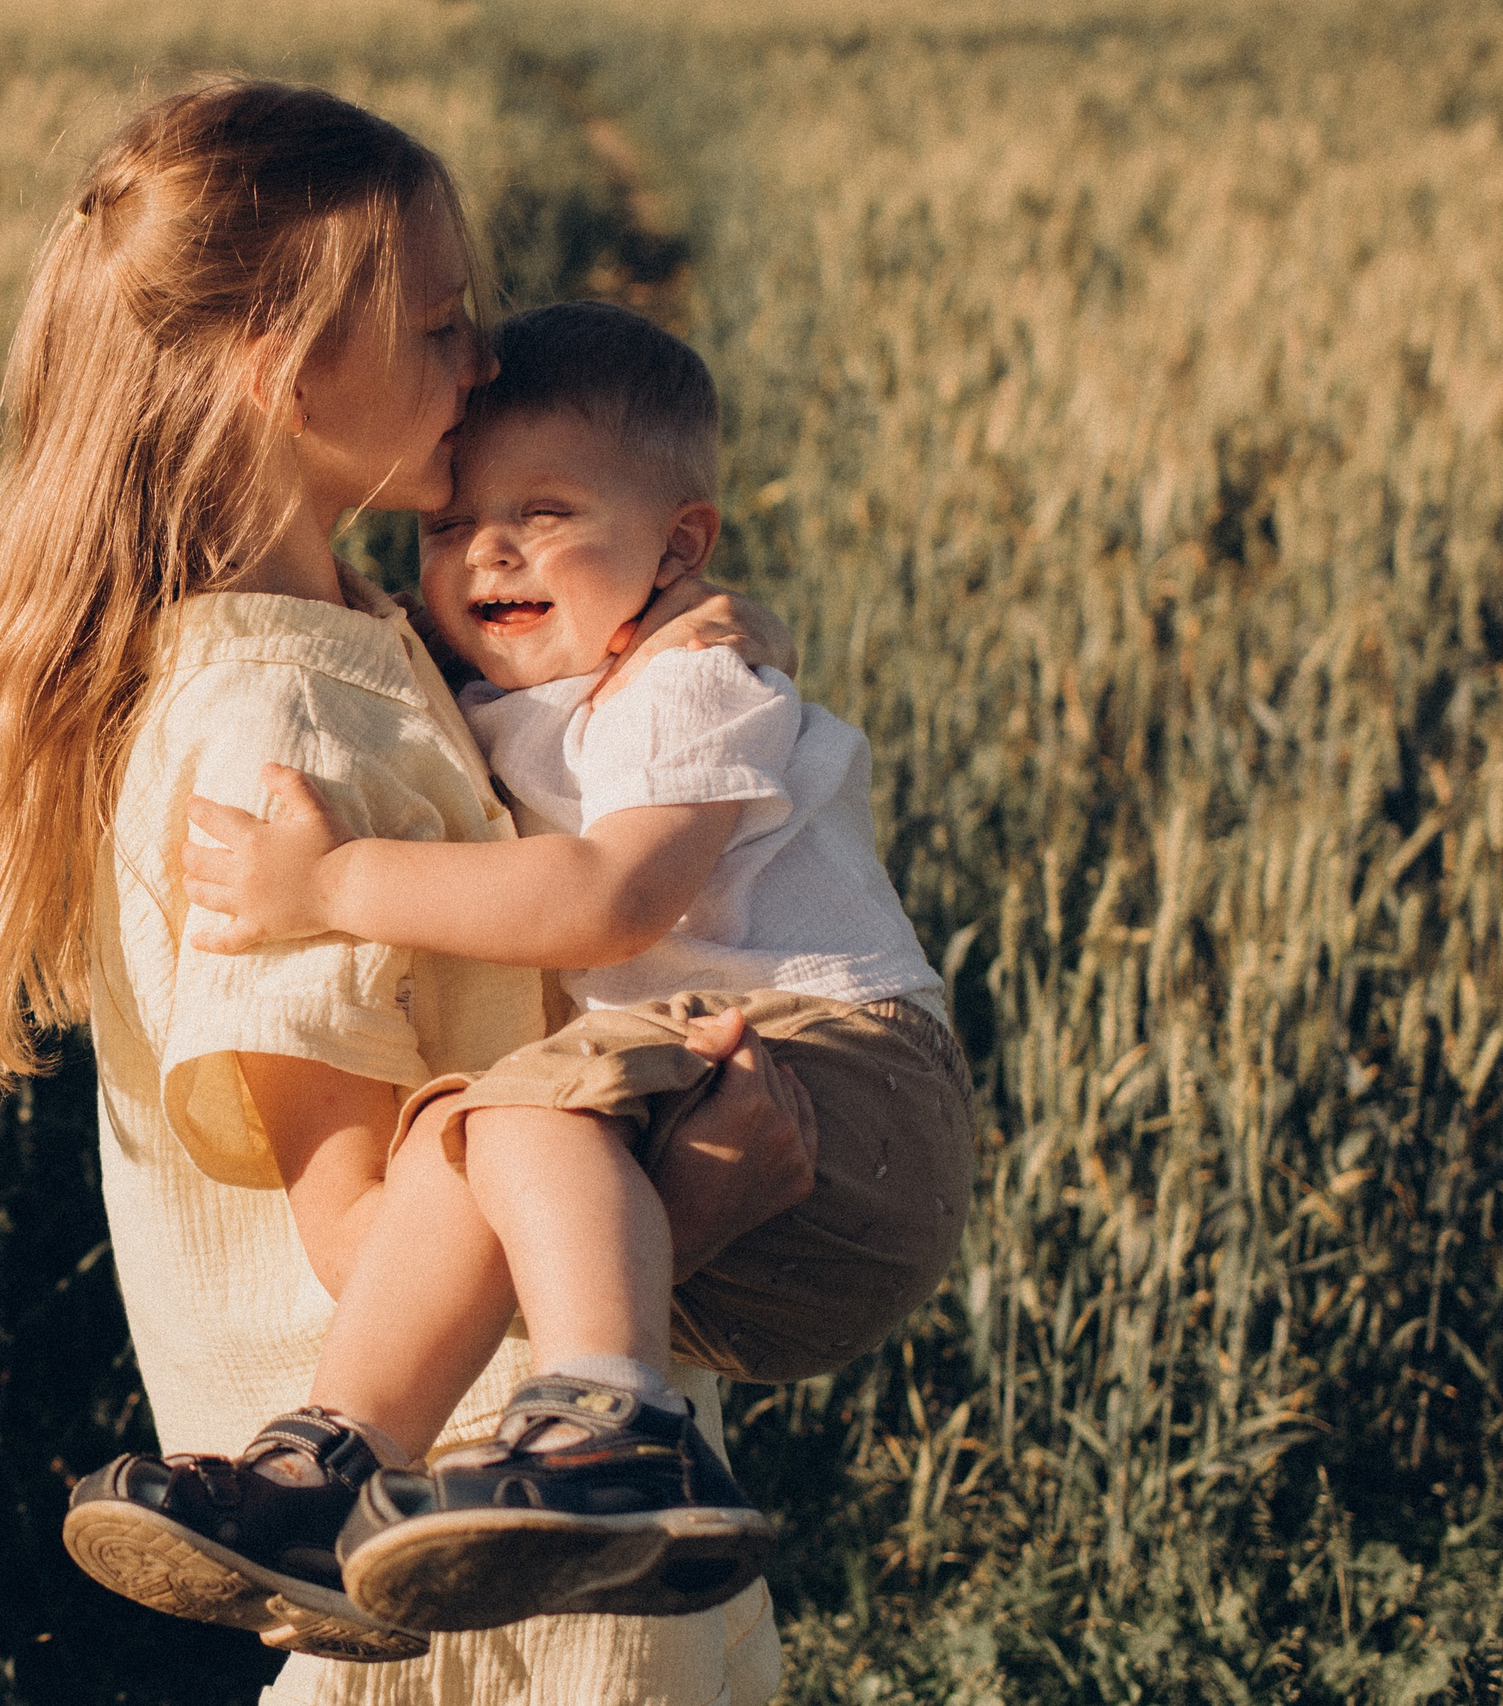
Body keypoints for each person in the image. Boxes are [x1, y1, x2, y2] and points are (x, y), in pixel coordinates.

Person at [0, 79, 809, 1706]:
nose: (486, 363)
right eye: (446, 326)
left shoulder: (361, 647)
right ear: (284, 373)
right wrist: (697, 1204)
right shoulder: (277, 731)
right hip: (486, 1545)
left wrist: (666, 645)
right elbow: (352, 1239)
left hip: (504, 1503)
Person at [98, 300, 973, 1640]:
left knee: (515, 1107)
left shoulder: (686, 680)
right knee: (462, 1136)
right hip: (715, 1112)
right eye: (451, 527)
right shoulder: (487, 686)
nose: (488, 548)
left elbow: (614, 899)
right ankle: (332, 1476)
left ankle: (619, 1431)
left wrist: (329, 884)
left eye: (546, 511)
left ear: (680, 546)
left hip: (842, 1075)